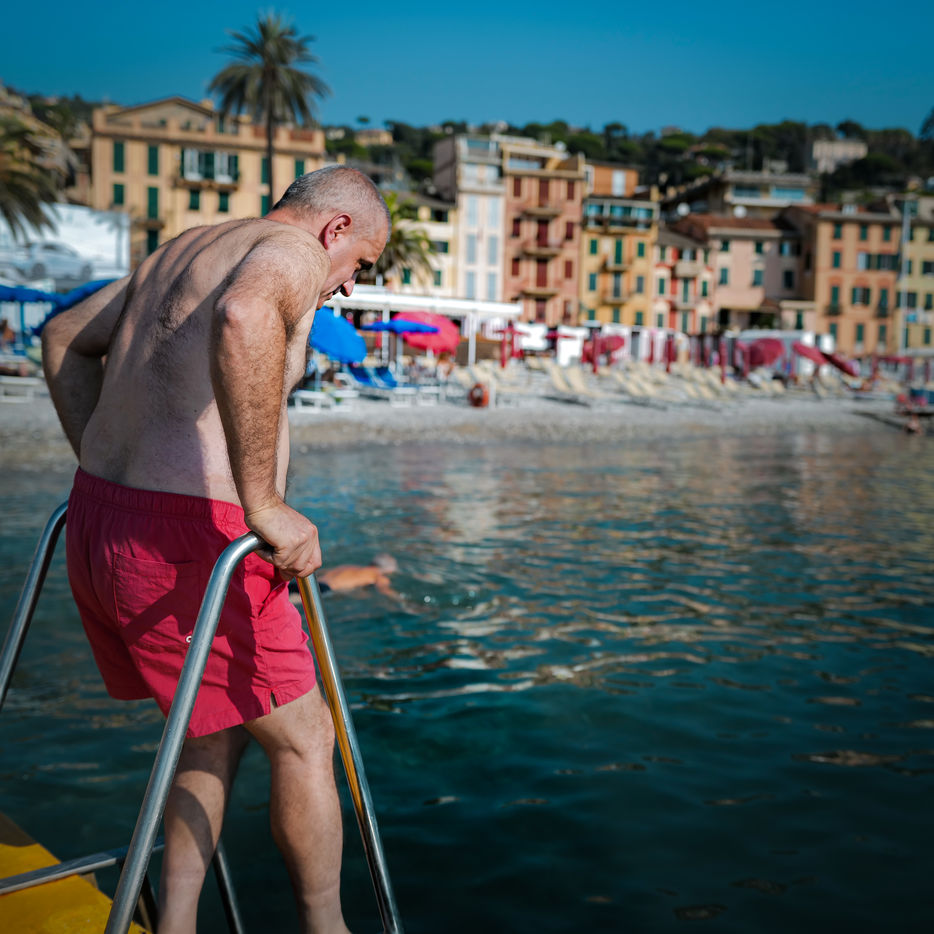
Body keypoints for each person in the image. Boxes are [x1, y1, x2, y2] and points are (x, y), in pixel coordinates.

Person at [41, 165, 390, 934]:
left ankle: (177, 922)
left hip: (100, 522)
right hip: (190, 543)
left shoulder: (185, 249)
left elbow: (64, 336)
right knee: (307, 741)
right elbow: (244, 315)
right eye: (359, 263)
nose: (349, 286)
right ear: (334, 227)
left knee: (212, 727)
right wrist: (263, 503)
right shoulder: (292, 252)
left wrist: (110, 471)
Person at [317, 554, 399, 598]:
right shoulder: (378, 576)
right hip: (326, 590)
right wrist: (402, 600)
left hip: (317, 583)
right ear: (388, 569)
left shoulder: (348, 567)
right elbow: (385, 591)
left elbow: (320, 571)